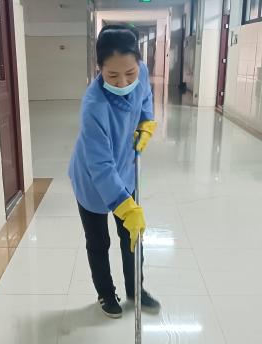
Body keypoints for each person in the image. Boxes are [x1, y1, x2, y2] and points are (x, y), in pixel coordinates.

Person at [68, 25, 161, 319]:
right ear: (99, 68)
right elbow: (100, 166)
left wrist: (145, 123)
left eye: (129, 73)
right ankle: (106, 293)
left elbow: (145, 99)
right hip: (92, 179)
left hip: (125, 167)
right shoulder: (93, 106)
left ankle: (135, 289)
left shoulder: (141, 73)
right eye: (112, 75)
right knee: (99, 241)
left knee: (132, 237)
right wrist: (125, 206)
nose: (123, 82)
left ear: (138, 64)